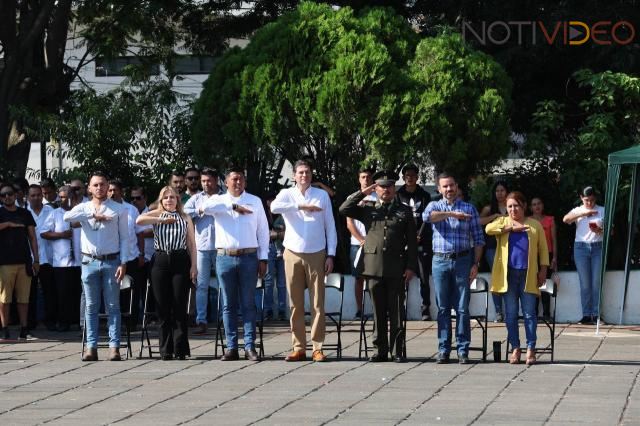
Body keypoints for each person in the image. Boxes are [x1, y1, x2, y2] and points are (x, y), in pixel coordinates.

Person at [339, 170, 417, 362]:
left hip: (396, 266)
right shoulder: (368, 208)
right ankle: (380, 350)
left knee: (397, 311)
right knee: (378, 311)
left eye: (389, 186)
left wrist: (410, 267)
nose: (386, 190)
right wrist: (364, 192)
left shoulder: (404, 210)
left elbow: (413, 243)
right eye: (381, 187)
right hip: (373, 267)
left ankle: (397, 350)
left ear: (394, 188)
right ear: (377, 189)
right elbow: (344, 209)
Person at [271, 159, 337, 362]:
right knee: (295, 304)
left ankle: (317, 347)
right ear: (294, 175)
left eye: (307, 172)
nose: (304, 176)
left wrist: (331, 254)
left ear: (311, 174)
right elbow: (274, 207)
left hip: (317, 253)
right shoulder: (287, 194)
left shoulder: (322, 195)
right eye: (300, 172)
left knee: (318, 304)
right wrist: (300, 205)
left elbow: (330, 226)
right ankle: (298, 347)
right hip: (292, 253)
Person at [201, 168, 269, 361]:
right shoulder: (219, 200)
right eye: (234, 179)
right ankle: (231, 346)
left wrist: (263, 258)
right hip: (225, 257)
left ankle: (249, 346)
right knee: (228, 304)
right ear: (226, 182)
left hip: (248, 256)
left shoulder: (254, 201)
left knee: (248, 303)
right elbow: (204, 208)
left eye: (241, 179)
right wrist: (232, 207)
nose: (237, 183)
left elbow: (263, 231)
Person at [64, 171, 129, 361]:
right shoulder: (83, 208)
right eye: (95, 185)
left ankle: (114, 346)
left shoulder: (117, 209)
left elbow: (125, 238)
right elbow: (66, 217)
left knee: (112, 306)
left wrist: (123, 263)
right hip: (89, 261)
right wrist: (91, 215)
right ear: (89, 188)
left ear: (108, 186)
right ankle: (91, 346)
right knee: (91, 305)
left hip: (111, 260)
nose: (99, 188)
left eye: (102, 184)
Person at [423, 172, 484, 364]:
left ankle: (463, 349)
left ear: (457, 187)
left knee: (462, 308)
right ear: (439, 189)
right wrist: (451, 214)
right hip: (440, 261)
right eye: (445, 187)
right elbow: (427, 217)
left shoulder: (469, 208)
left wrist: (476, 263)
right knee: (442, 308)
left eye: (451, 186)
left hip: (463, 261)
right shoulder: (434, 206)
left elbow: (479, 239)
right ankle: (443, 349)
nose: (449, 189)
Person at [486, 191, 549, 365]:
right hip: (509, 275)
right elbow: (488, 229)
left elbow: (543, 250)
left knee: (530, 313)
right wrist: (510, 228)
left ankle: (531, 348)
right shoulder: (504, 222)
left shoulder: (534, 225)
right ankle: (515, 347)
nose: (513, 209)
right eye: (510, 206)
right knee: (511, 314)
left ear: (524, 206)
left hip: (528, 274)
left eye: (516, 205)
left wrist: (543, 270)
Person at [137, 186, 197, 360]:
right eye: (165, 198)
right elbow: (139, 221)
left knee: (179, 305)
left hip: (179, 258)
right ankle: (165, 349)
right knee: (162, 307)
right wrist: (161, 218)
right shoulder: (157, 215)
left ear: (178, 200)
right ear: (161, 201)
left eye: (172, 197)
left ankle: (180, 348)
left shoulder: (184, 217)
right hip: (161, 259)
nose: (169, 200)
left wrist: (194, 266)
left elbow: (192, 244)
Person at [184, 167, 223, 335]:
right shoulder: (196, 199)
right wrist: (200, 211)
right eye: (203, 181)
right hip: (202, 247)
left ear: (216, 181)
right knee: (201, 285)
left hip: (222, 246)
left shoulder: (224, 197)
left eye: (209, 181)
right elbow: (184, 212)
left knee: (224, 284)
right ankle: (201, 320)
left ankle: (224, 318)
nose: (206, 184)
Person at [0, 183, 40, 340]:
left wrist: (36, 259)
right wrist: (8, 224)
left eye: (9, 194)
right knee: (4, 298)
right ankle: (5, 329)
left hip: (24, 261)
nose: (7, 197)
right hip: (4, 262)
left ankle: (24, 329)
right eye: (3, 195)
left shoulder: (25, 213)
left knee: (24, 298)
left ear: (15, 195)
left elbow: (32, 237)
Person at [41, 186, 82, 332]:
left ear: (72, 196)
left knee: (77, 292)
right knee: (62, 294)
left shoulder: (80, 212)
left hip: (79, 261)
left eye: (65, 196)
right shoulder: (55, 214)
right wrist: (61, 235)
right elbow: (44, 233)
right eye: (61, 197)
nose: (62, 199)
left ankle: (78, 321)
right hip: (61, 262)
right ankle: (63, 321)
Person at [563, 186, 605, 325]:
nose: (590, 203)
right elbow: (566, 219)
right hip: (581, 248)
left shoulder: (602, 210)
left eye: (592, 200)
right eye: (587, 200)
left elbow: (611, 231)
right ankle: (587, 314)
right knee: (585, 283)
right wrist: (583, 214)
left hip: (597, 247)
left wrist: (600, 230)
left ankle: (597, 314)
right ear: (581, 198)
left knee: (596, 282)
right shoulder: (578, 210)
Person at [396, 164, 433, 321]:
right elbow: (397, 218)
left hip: (422, 240)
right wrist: (407, 237)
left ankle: (425, 310)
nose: (410, 178)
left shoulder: (424, 195)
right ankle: (400, 309)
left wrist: (418, 235)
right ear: (403, 177)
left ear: (417, 177)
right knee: (402, 276)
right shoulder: (398, 195)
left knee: (424, 278)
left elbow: (428, 217)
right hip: (403, 242)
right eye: (407, 175)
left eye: (413, 175)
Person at [108, 180, 144, 329]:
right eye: (109, 190)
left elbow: (140, 233)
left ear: (121, 192)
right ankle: (117, 322)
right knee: (115, 291)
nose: (112, 193)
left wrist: (141, 254)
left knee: (132, 291)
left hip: (131, 256)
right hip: (113, 258)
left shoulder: (131, 209)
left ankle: (132, 322)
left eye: (115, 190)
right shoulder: (104, 209)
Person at [345, 168, 377, 318]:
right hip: (356, 244)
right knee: (359, 278)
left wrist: (370, 240)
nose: (366, 180)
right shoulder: (352, 197)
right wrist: (361, 240)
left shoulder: (379, 197)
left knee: (375, 278)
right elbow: (349, 223)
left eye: (368, 177)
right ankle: (360, 310)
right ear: (359, 179)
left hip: (375, 243)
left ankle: (378, 310)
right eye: (363, 177)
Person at [479, 180, 510, 322]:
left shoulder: (512, 207)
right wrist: (495, 216)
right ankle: (499, 312)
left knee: (510, 277)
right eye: (497, 191)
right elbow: (479, 221)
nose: (500, 193)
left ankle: (511, 310)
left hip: (510, 247)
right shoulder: (489, 208)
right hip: (492, 247)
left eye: (502, 190)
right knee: (496, 278)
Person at [26, 184, 54, 332]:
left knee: (49, 291)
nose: (36, 198)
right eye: (33, 195)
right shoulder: (24, 212)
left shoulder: (51, 211)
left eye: (38, 195)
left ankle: (50, 320)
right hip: (30, 258)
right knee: (30, 293)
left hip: (48, 258)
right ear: (27, 197)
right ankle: (30, 322)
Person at [257, 194, 288, 321]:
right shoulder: (263, 215)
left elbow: (289, 232)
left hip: (283, 248)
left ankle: (282, 311)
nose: (271, 202)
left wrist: (277, 234)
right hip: (268, 248)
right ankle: (268, 311)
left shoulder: (284, 215)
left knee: (282, 282)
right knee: (268, 281)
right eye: (269, 200)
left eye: (273, 200)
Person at [530, 196, 557, 320]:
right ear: (531, 207)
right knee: (533, 284)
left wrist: (555, 258)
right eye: (534, 204)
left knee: (545, 284)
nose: (537, 206)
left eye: (539, 203)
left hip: (547, 255)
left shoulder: (550, 220)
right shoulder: (528, 221)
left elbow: (554, 240)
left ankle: (546, 313)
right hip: (532, 256)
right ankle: (533, 313)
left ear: (543, 205)